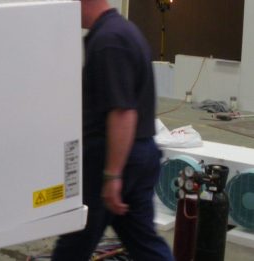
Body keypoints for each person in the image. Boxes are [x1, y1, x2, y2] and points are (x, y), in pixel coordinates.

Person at [51, 0, 174, 260]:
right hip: (139, 154)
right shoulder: (121, 31)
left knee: (75, 240)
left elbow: (123, 112)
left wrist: (112, 175)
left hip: (112, 157)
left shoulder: (110, 40)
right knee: (142, 240)